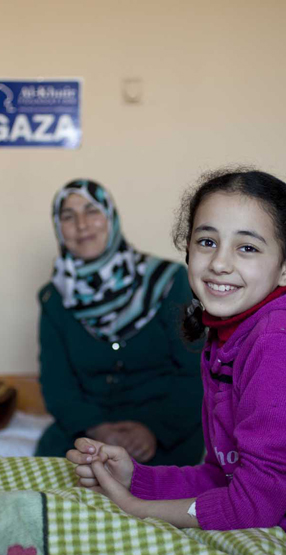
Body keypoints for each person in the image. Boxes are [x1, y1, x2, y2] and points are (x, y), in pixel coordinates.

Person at [66, 169, 286, 555]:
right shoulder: (228, 338)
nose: (220, 263)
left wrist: (138, 508)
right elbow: (223, 476)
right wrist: (135, 479)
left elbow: (253, 503)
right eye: (207, 242)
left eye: (247, 248)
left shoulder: (281, 342)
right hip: (280, 526)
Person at [35, 179, 204, 466]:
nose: (82, 224)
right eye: (67, 216)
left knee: (157, 495)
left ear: (111, 217)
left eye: (92, 211)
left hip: (167, 433)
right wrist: (96, 429)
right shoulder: (55, 299)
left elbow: (196, 368)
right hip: (86, 433)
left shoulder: (168, 282)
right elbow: (56, 383)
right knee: (49, 488)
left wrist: (152, 431)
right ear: (58, 228)